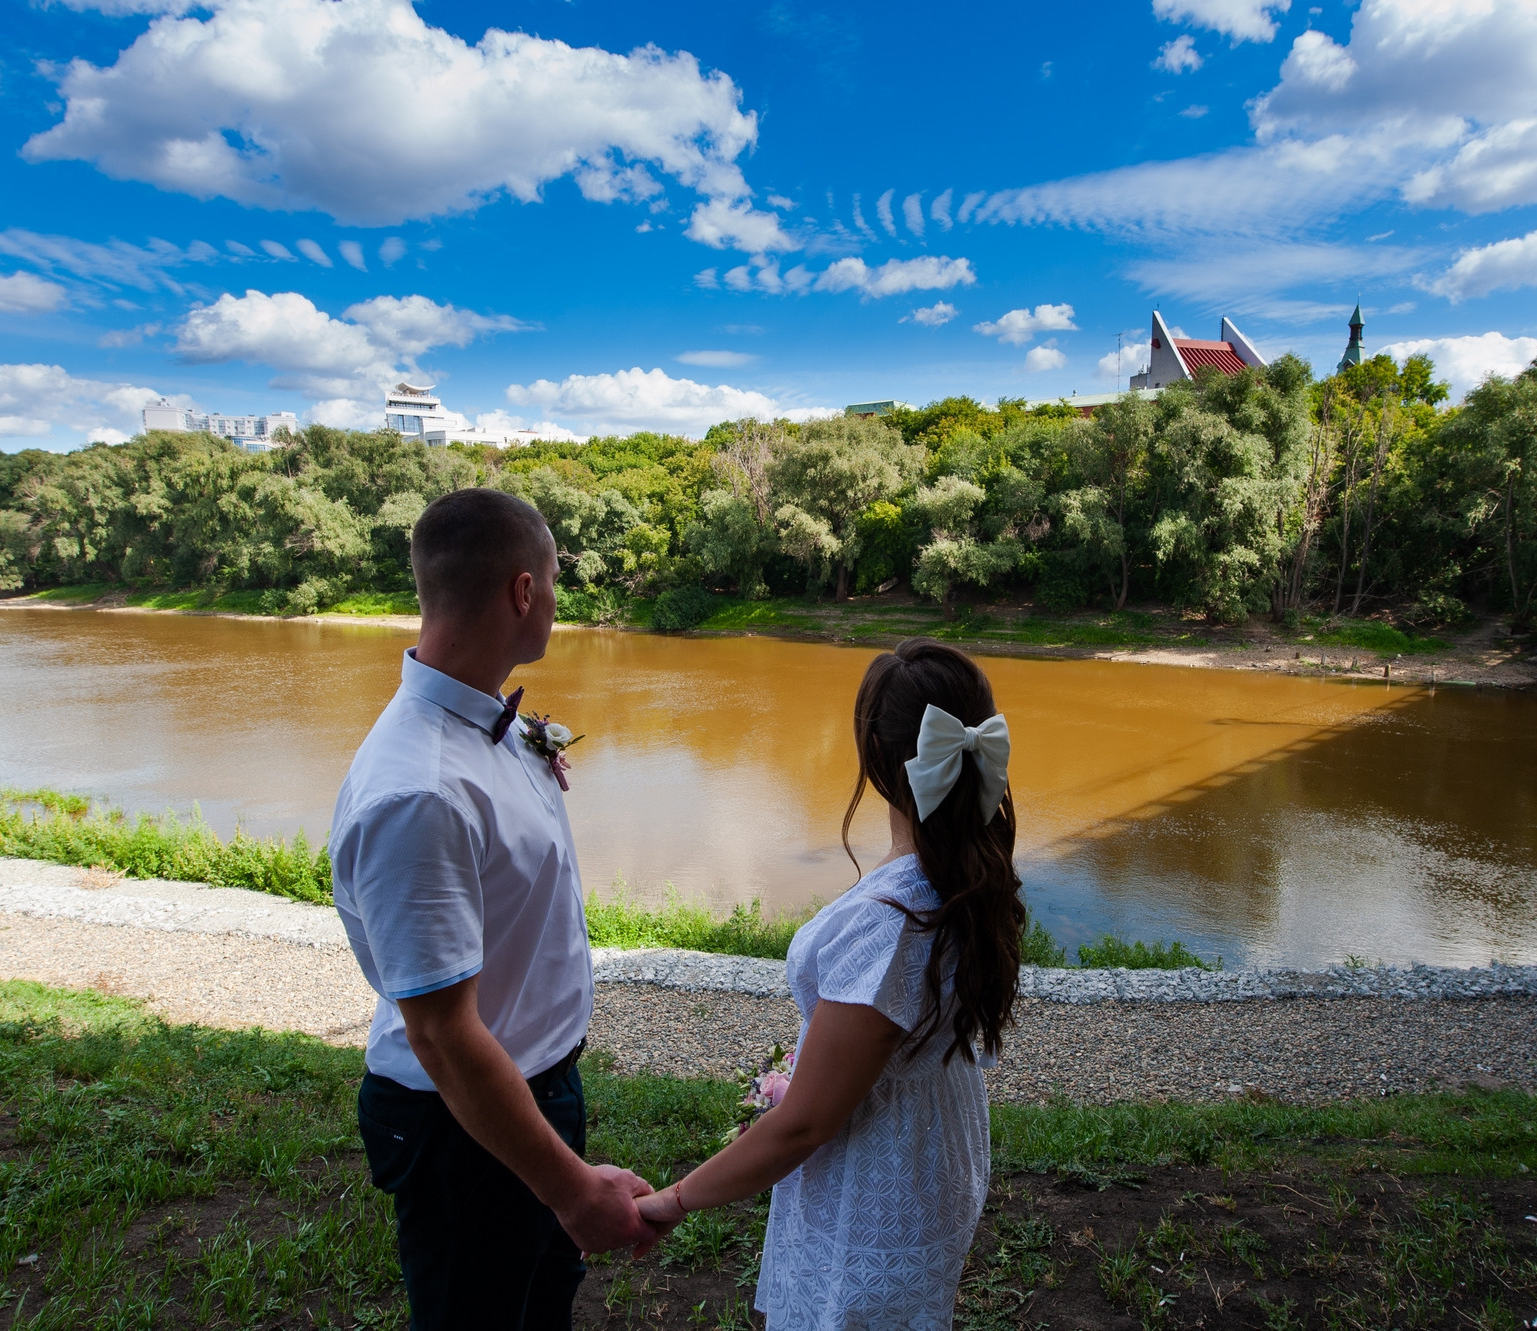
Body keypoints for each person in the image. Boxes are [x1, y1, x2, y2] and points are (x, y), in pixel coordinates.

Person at [330, 488, 656, 1331]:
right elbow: (441, 1033)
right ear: (521, 591)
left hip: (532, 1085)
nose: (557, 598)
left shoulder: (491, 724)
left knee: (537, 1308)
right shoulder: (421, 790)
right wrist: (571, 1188)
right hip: (462, 1129)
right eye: (552, 580)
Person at [637, 638, 1025, 1330]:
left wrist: (674, 1200)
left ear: (877, 760)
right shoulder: (964, 868)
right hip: (936, 1149)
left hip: (879, 1181)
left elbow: (809, 1121)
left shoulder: (891, 926)